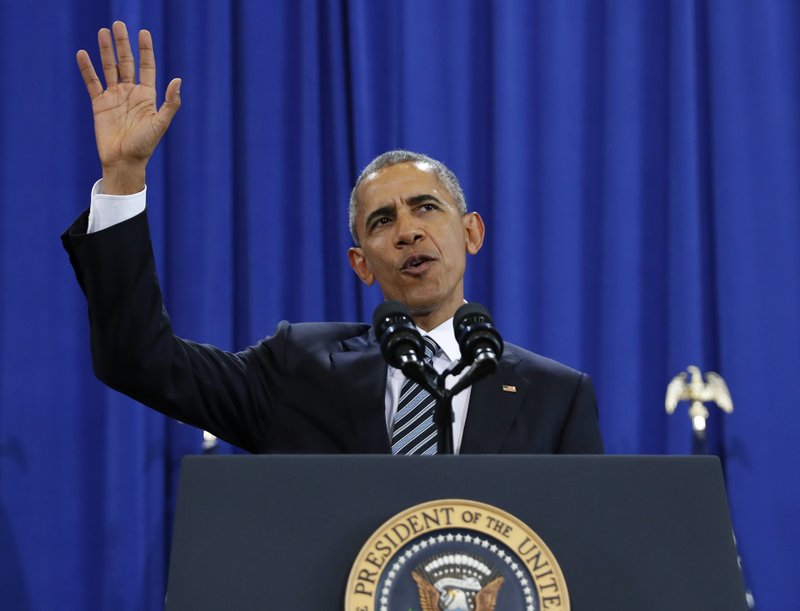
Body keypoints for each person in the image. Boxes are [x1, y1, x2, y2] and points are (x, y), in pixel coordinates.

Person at [64, 21, 603, 455]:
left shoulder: (554, 396)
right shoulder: (298, 369)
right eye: (382, 221)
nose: (408, 230)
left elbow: (581, 552)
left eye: (425, 208)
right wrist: (123, 178)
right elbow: (137, 360)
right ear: (360, 263)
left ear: (471, 231)